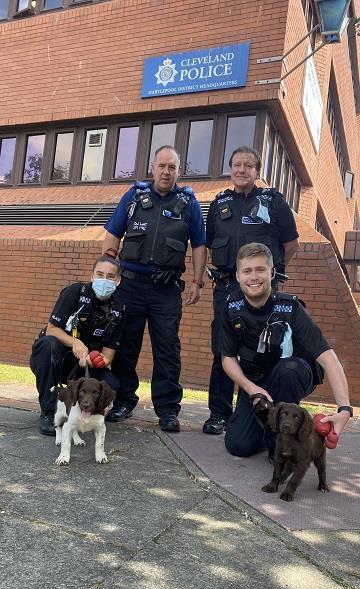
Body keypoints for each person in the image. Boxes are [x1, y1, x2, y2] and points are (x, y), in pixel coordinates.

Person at [101, 145, 206, 433]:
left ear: (178, 171)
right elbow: (112, 236)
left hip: (166, 290)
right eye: (162, 166)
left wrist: (197, 281)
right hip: (130, 287)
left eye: (172, 167)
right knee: (125, 346)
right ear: (152, 167)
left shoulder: (189, 204)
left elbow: (199, 245)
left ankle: (168, 409)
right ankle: (124, 400)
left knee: (168, 351)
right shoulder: (134, 197)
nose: (166, 171)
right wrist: (108, 276)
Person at [219, 242, 352, 458]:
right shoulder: (231, 310)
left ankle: (284, 447)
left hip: (291, 375)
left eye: (260, 269)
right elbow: (227, 359)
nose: (254, 277)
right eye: (247, 271)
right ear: (238, 276)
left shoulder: (290, 308)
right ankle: (295, 428)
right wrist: (251, 389)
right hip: (256, 383)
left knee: (288, 370)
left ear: (272, 272)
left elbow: (328, 358)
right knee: (239, 445)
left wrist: (344, 409)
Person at [203, 145, 300, 435]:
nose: (241, 170)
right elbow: (209, 246)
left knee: (266, 349)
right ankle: (219, 414)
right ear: (230, 169)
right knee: (223, 350)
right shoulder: (219, 205)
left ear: (257, 171)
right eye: (236, 165)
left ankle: (267, 414)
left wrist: (272, 275)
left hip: (263, 291)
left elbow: (291, 244)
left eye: (248, 165)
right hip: (226, 289)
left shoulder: (273, 202)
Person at [30, 256, 125, 436]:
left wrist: (93, 360)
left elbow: (108, 357)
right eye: (100, 274)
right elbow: (52, 329)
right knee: (47, 345)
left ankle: (89, 413)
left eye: (110, 276)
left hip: (84, 366)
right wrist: (75, 343)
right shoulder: (75, 292)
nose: (104, 280)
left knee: (112, 384)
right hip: (56, 359)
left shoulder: (119, 309)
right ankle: (49, 413)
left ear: (117, 281)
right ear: (92, 276)